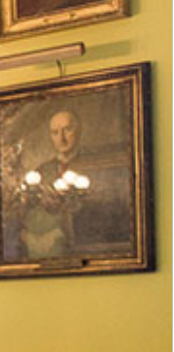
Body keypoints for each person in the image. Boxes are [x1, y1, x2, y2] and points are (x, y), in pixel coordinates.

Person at [18, 109, 128, 260]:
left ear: (79, 130)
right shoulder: (42, 172)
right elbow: (30, 216)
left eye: (67, 130)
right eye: (55, 133)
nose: (61, 138)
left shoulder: (98, 162)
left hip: (89, 242)